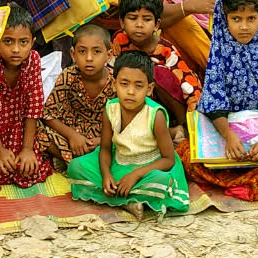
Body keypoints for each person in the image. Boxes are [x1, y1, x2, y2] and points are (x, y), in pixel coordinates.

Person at [186, 0, 258, 202]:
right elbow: (215, 98)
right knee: (186, 156)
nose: (244, 27)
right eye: (236, 19)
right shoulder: (219, 49)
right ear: (224, 19)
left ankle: (237, 181)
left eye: (251, 19)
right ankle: (242, 180)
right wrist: (230, 137)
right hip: (223, 123)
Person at [63, 49, 189, 217]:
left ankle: (120, 198)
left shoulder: (155, 115)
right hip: (118, 162)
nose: (130, 91)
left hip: (148, 168)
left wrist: (135, 175)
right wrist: (106, 175)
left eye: (138, 86)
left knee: (161, 183)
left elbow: (168, 159)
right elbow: (106, 149)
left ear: (149, 89)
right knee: (75, 167)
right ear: (114, 84)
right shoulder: (110, 109)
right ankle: (128, 201)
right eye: (124, 84)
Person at [112, 0, 199, 141]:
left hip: (165, 106)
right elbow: (110, 71)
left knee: (157, 73)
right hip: (131, 98)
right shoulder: (119, 40)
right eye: (132, 18)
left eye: (147, 19)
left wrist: (194, 123)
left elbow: (189, 84)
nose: (139, 25)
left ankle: (182, 127)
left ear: (157, 24)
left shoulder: (165, 50)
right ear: (122, 22)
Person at [0, 4, 52, 188]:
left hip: (22, 129)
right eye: (8, 41)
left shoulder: (33, 60)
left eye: (23, 42)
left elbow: (33, 108)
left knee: (28, 168)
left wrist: (27, 149)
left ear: (32, 42)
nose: (16, 49)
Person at [42, 23, 116, 166]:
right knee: (38, 131)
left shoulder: (116, 83)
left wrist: (102, 140)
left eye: (96, 52)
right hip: (70, 131)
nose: (89, 58)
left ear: (109, 55)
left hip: (103, 137)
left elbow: (126, 124)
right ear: (73, 54)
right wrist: (72, 136)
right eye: (82, 51)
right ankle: (75, 159)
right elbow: (49, 115)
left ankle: (71, 161)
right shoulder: (68, 76)